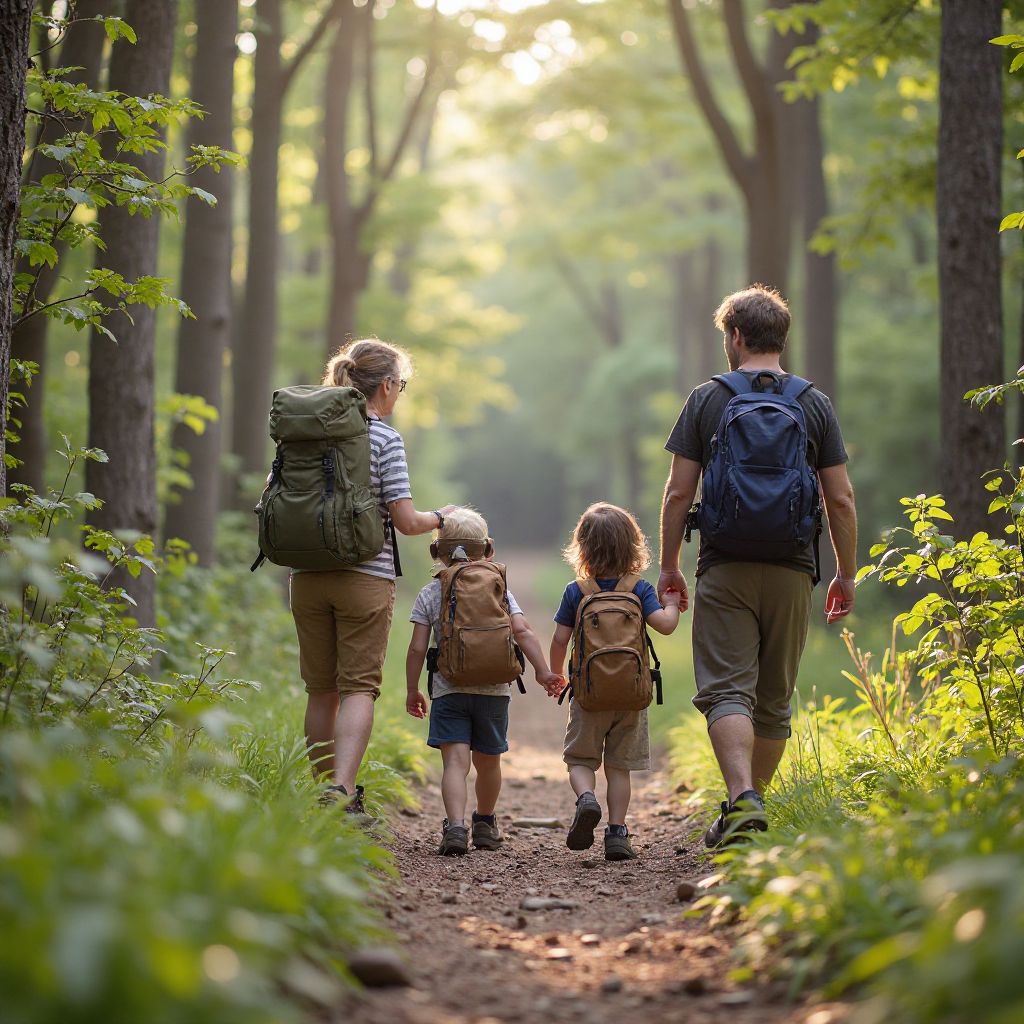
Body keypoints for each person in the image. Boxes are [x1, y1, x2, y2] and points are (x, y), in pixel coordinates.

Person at [658, 284, 858, 848]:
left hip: (724, 565)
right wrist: (844, 572)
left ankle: (742, 797)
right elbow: (839, 499)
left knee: (726, 690)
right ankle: (750, 808)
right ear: (782, 339)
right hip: (794, 567)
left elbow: (678, 494)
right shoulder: (812, 402)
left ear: (736, 337)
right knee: (772, 701)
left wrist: (671, 564)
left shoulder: (708, 399)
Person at [290, 338, 455, 816]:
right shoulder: (384, 437)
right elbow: (405, 521)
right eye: (400, 384)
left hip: (307, 575)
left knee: (319, 690)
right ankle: (341, 793)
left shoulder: (303, 433)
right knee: (358, 688)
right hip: (365, 577)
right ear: (385, 385)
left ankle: (322, 793)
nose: (400, 393)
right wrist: (440, 518)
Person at [405, 507, 563, 856]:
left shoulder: (431, 593)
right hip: (494, 691)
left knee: (455, 764)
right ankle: (486, 823)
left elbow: (417, 647)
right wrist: (541, 671)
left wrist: (412, 688)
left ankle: (456, 828)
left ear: (438, 553)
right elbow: (522, 630)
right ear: (488, 549)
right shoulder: (499, 588)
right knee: (488, 762)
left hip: (449, 690)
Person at [549, 502, 682, 862]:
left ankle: (586, 799)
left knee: (580, 760)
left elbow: (560, 639)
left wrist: (556, 675)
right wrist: (672, 604)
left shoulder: (576, 591)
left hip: (588, 694)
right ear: (633, 545)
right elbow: (665, 626)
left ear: (583, 547)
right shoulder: (639, 588)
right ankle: (618, 833)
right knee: (619, 767)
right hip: (631, 694)